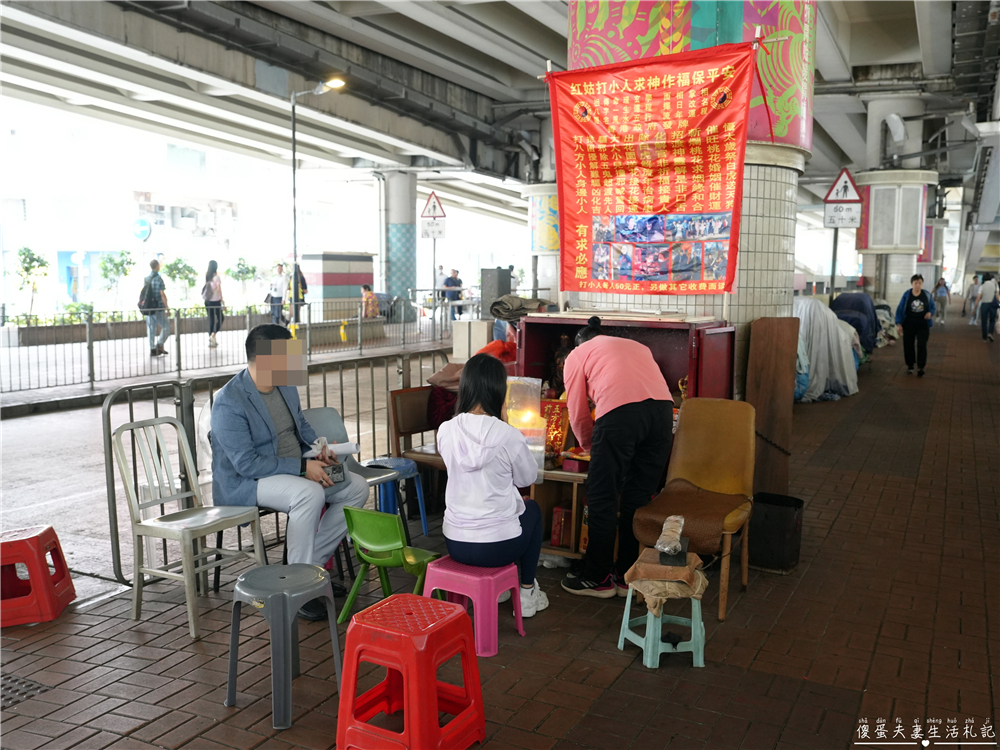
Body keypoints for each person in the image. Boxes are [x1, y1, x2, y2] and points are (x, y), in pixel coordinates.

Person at [210, 324, 370, 619]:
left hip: (293, 469)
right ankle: (296, 588)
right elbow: (246, 464)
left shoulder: (285, 385)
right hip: (248, 481)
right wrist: (301, 467)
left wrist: (318, 448)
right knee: (308, 493)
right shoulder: (229, 401)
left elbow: (302, 429)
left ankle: (311, 569)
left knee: (356, 486)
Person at [560, 317, 674, 598]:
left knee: (602, 496)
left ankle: (597, 578)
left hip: (621, 416)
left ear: (580, 343)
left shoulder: (577, 355)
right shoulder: (636, 346)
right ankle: (625, 576)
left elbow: (576, 411)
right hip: (662, 416)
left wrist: (588, 447)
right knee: (637, 497)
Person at [437, 354, 549, 616]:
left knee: (513, 513)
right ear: (500, 390)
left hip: (455, 542)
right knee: (531, 510)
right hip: (497, 548)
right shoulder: (508, 435)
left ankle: (501, 589)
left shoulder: (445, 430)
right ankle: (526, 592)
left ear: (465, 387)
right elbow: (526, 479)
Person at [895, 274, 935, 376]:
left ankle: (921, 367)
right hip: (909, 324)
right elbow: (900, 309)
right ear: (911, 284)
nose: (918, 285)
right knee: (908, 344)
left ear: (922, 284)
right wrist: (899, 323)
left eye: (920, 283)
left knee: (922, 344)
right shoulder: (907, 295)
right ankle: (910, 365)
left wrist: (930, 313)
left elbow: (932, 307)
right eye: (915, 283)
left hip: (923, 324)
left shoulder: (926, 295)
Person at [144, 259, 170, 357]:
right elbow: (162, 294)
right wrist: (167, 307)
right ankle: (159, 344)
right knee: (166, 326)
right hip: (158, 307)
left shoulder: (146, 279)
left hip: (149, 308)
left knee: (151, 328)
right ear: (157, 266)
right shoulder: (158, 279)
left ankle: (152, 348)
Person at [974, 272, 998, 343]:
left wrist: (974, 308)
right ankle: (990, 333)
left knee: (984, 321)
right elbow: (997, 296)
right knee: (992, 320)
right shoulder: (995, 285)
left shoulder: (982, 286)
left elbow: (978, 298)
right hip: (993, 305)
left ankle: (984, 337)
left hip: (984, 304)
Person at [204, 260, 223, 348]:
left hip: (207, 301)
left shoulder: (207, 276)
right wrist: (222, 300)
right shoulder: (216, 277)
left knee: (211, 319)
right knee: (221, 318)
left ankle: (211, 339)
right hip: (216, 301)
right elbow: (219, 290)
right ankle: (213, 335)